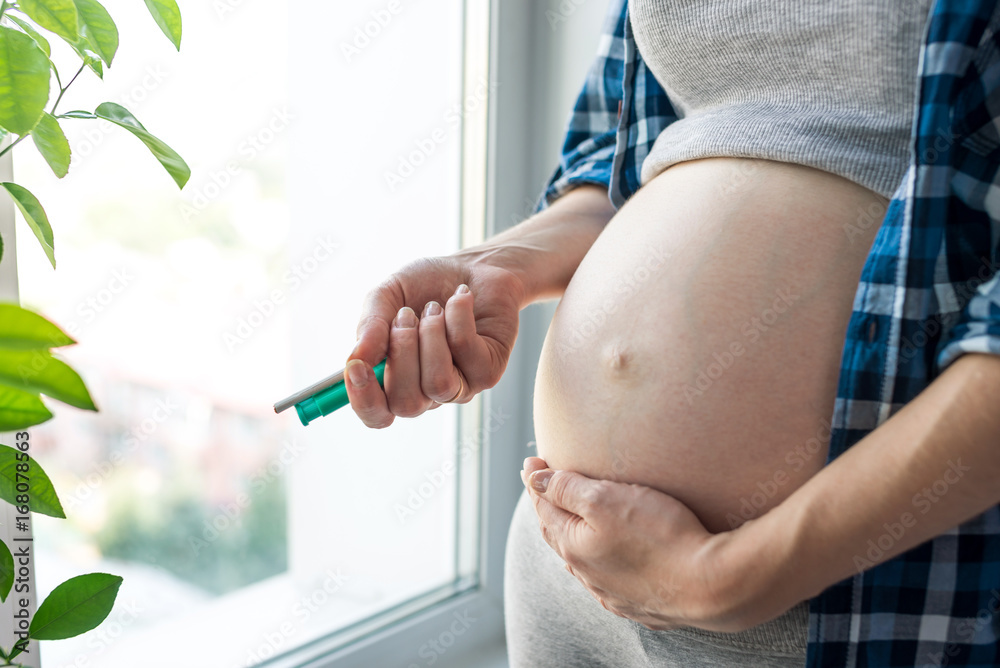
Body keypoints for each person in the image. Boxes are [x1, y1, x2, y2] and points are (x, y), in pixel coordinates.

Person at [344, 0, 1000, 666]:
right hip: (566, 569)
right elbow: (625, 154)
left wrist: (730, 573)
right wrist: (496, 266)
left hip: (836, 604)